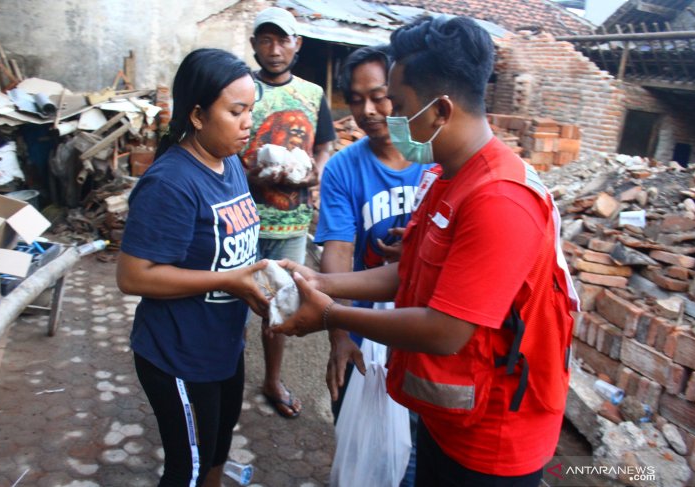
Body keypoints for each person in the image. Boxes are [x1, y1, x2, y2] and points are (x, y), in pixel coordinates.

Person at [274, 15, 580, 487]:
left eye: (397, 105)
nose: (383, 117)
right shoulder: (446, 175)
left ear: (439, 111)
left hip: (493, 439)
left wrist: (332, 315)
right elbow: (406, 273)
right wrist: (318, 282)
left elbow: (444, 330)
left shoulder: (501, 200)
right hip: (449, 413)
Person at [116, 48, 269, 487]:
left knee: (219, 443)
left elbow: (233, 248)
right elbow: (132, 276)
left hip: (222, 342)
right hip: (177, 354)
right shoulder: (171, 183)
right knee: (188, 467)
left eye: (250, 111)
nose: (247, 123)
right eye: (235, 111)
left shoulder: (230, 162)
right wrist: (230, 281)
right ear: (198, 116)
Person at [314, 44, 431, 486]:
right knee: (364, 451)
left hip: (427, 330)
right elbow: (338, 252)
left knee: (417, 454)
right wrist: (338, 332)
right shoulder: (345, 168)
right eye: (356, 99)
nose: (368, 110)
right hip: (366, 337)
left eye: (380, 96)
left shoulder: (435, 158)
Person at [240, 6, 336, 419]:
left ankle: (271, 378)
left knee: (280, 303)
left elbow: (325, 144)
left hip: (292, 222)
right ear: (254, 46)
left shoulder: (313, 95)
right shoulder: (242, 89)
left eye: (282, 40)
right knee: (228, 299)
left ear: (297, 45)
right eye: (265, 39)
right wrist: (249, 172)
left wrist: (315, 174)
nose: (274, 49)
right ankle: (219, 375)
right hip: (240, 219)